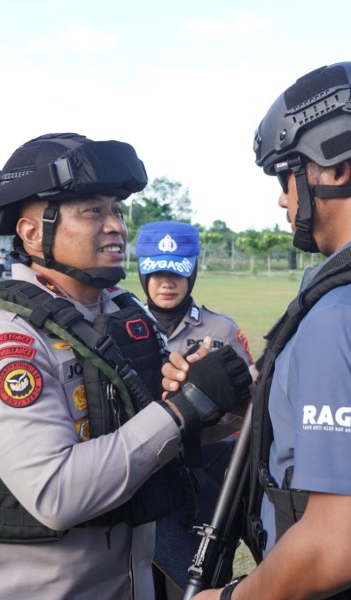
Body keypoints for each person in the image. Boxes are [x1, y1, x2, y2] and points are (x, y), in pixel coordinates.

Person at [165, 62, 351, 599]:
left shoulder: (350, 314)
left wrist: (231, 597)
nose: (283, 198)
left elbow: (338, 545)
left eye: (287, 172)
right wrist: (251, 409)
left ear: (334, 169)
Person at [0, 132, 251, 600]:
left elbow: (167, 438)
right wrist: (182, 409)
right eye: (92, 211)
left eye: (117, 210)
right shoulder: (7, 339)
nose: (115, 227)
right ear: (30, 232)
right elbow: (56, 493)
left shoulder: (126, 318)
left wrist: (218, 396)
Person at [135, 221, 257, 598]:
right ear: (141, 271)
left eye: (176, 272)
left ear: (193, 271)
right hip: (140, 476)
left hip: (202, 476)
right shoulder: (123, 325)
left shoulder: (220, 330)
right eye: (156, 272)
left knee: (195, 578)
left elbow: (250, 409)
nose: (165, 283)